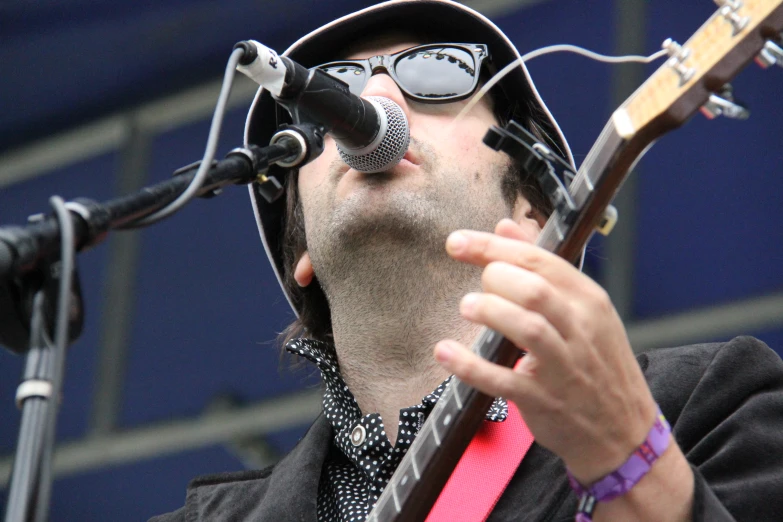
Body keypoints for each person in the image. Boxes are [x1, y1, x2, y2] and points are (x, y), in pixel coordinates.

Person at [151, 1, 783, 520]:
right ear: (303, 250)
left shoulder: (705, 405)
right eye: (334, 89)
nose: (374, 99)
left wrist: (627, 455)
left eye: (435, 72)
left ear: (536, 213)